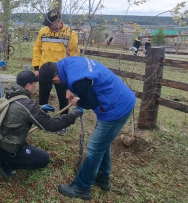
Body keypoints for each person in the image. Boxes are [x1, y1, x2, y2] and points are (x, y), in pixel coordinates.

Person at [39, 57, 136, 200]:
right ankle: (103, 177)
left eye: (55, 83)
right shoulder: (65, 63)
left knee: (94, 149)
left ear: (55, 78)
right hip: (121, 96)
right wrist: (68, 89)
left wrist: (78, 101)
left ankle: (82, 187)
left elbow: (91, 102)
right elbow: (75, 80)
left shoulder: (77, 80)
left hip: (115, 107)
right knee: (103, 143)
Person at [0, 70, 83, 179]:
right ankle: (6, 164)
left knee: (28, 148)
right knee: (44, 159)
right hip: (8, 149)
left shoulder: (9, 93)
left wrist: (39, 108)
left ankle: (5, 158)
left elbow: (19, 110)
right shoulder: (27, 104)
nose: (36, 86)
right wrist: (72, 116)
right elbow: (51, 125)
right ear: (28, 85)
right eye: (34, 83)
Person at [32, 9, 80, 135]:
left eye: (50, 24)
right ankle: (41, 120)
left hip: (61, 74)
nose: (48, 27)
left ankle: (62, 124)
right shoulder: (43, 32)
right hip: (45, 71)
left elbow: (74, 55)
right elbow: (37, 49)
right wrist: (36, 68)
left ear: (58, 21)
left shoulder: (71, 34)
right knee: (43, 96)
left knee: (63, 98)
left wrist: (70, 73)